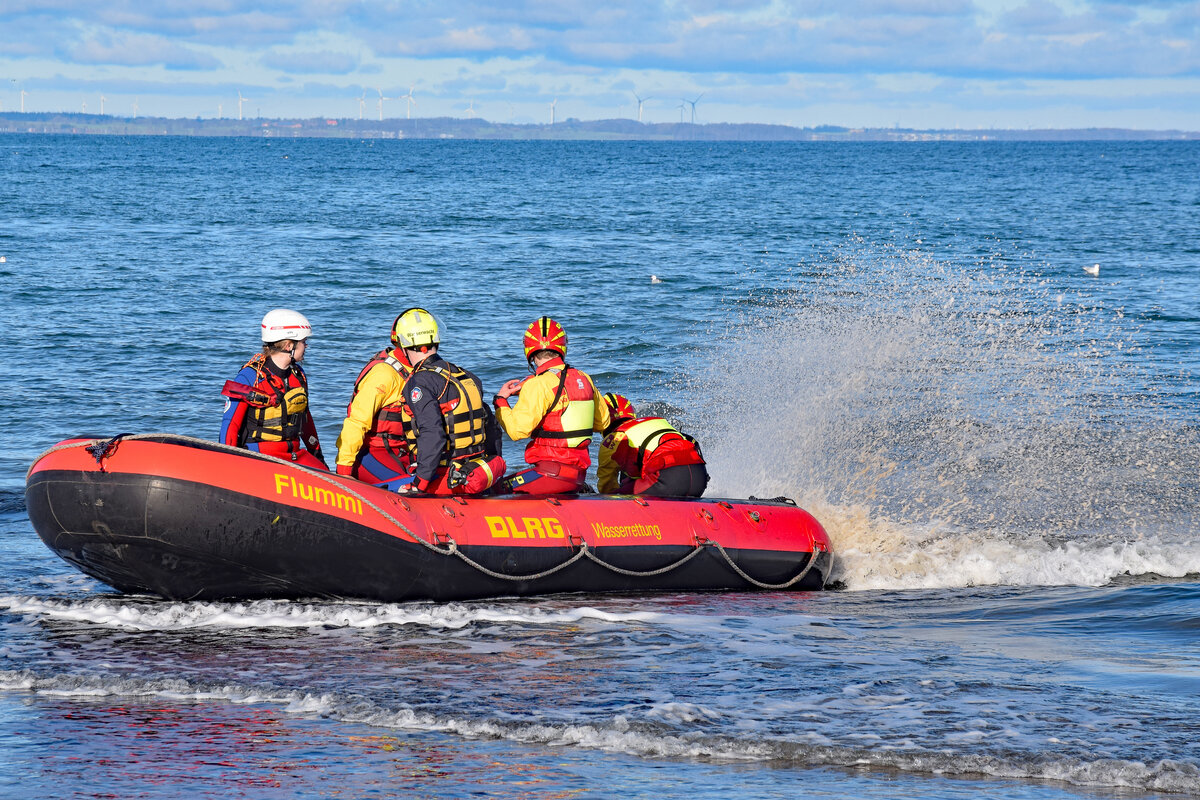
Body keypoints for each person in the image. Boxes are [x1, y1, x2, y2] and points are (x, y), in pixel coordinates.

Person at [393, 308, 505, 495]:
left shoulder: (418, 382)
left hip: (447, 477)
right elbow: (491, 427)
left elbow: (432, 434)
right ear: (435, 340)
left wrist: (419, 483)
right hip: (475, 472)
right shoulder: (465, 376)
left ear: (404, 346)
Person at [493, 317, 610, 494]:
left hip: (550, 475)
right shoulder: (584, 378)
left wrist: (500, 401)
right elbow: (603, 423)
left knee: (494, 490)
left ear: (529, 350)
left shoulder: (537, 385)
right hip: (577, 477)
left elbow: (517, 431)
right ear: (562, 347)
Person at [220, 309, 327, 469]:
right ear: (289, 345)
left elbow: (305, 422)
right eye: (304, 341)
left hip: (294, 455)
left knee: (326, 474)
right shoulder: (249, 377)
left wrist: (318, 456)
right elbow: (230, 426)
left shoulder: (298, 375)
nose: (306, 346)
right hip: (261, 457)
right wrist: (228, 465)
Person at [333, 315, 416, 482]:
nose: (426, 352)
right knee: (408, 487)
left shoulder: (420, 371)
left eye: (430, 346)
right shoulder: (384, 375)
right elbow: (356, 422)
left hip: (405, 452)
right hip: (373, 453)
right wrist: (343, 470)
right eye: (421, 347)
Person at [597, 393, 708, 497]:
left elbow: (607, 487)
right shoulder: (657, 422)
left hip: (667, 479)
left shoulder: (613, 439)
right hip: (699, 478)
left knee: (616, 495)